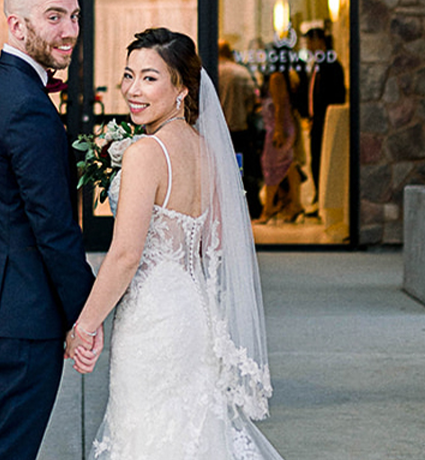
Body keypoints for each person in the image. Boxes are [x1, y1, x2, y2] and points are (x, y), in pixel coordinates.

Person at [71, 28, 285, 460]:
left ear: (182, 88)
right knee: (193, 431)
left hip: (153, 317)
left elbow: (126, 254)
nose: (132, 89)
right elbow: (218, 240)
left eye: (150, 78)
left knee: (148, 434)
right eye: (128, 75)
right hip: (193, 309)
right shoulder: (207, 151)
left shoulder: (145, 152)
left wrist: (85, 325)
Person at [0, 0, 98, 460]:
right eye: (54, 17)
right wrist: (84, 316)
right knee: (9, 448)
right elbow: (53, 227)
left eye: (74, 16)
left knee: (3, 438)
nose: (70, 30)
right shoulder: (26, 105)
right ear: (16, 27)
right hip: (23, 309)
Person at [256, 41, 304, 224]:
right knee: (287, 165)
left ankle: (268, 209)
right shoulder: (286, 77)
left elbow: (279, 105)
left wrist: (278, 130)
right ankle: (295, 204)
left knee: (270, 166)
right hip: (282, 126)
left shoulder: (276, 78)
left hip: (278, 127)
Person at [217, 38, 261, 218]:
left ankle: (226, 210)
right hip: (240, 131)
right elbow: (253, 101)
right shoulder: (242, 73)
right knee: (243, 173)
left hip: (219, 132)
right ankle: (250, 209)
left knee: (221, 173)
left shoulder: (211, 73)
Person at [302, 24, 346, 191]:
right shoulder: (318, 64)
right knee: (315, 159)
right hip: (317, 121)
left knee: (323, 159)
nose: (308, 46)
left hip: (326, 120)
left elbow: (335, 95)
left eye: (309, 42)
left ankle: (322, 197)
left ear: (319, 41)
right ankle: (318, 195)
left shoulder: (331, 65)